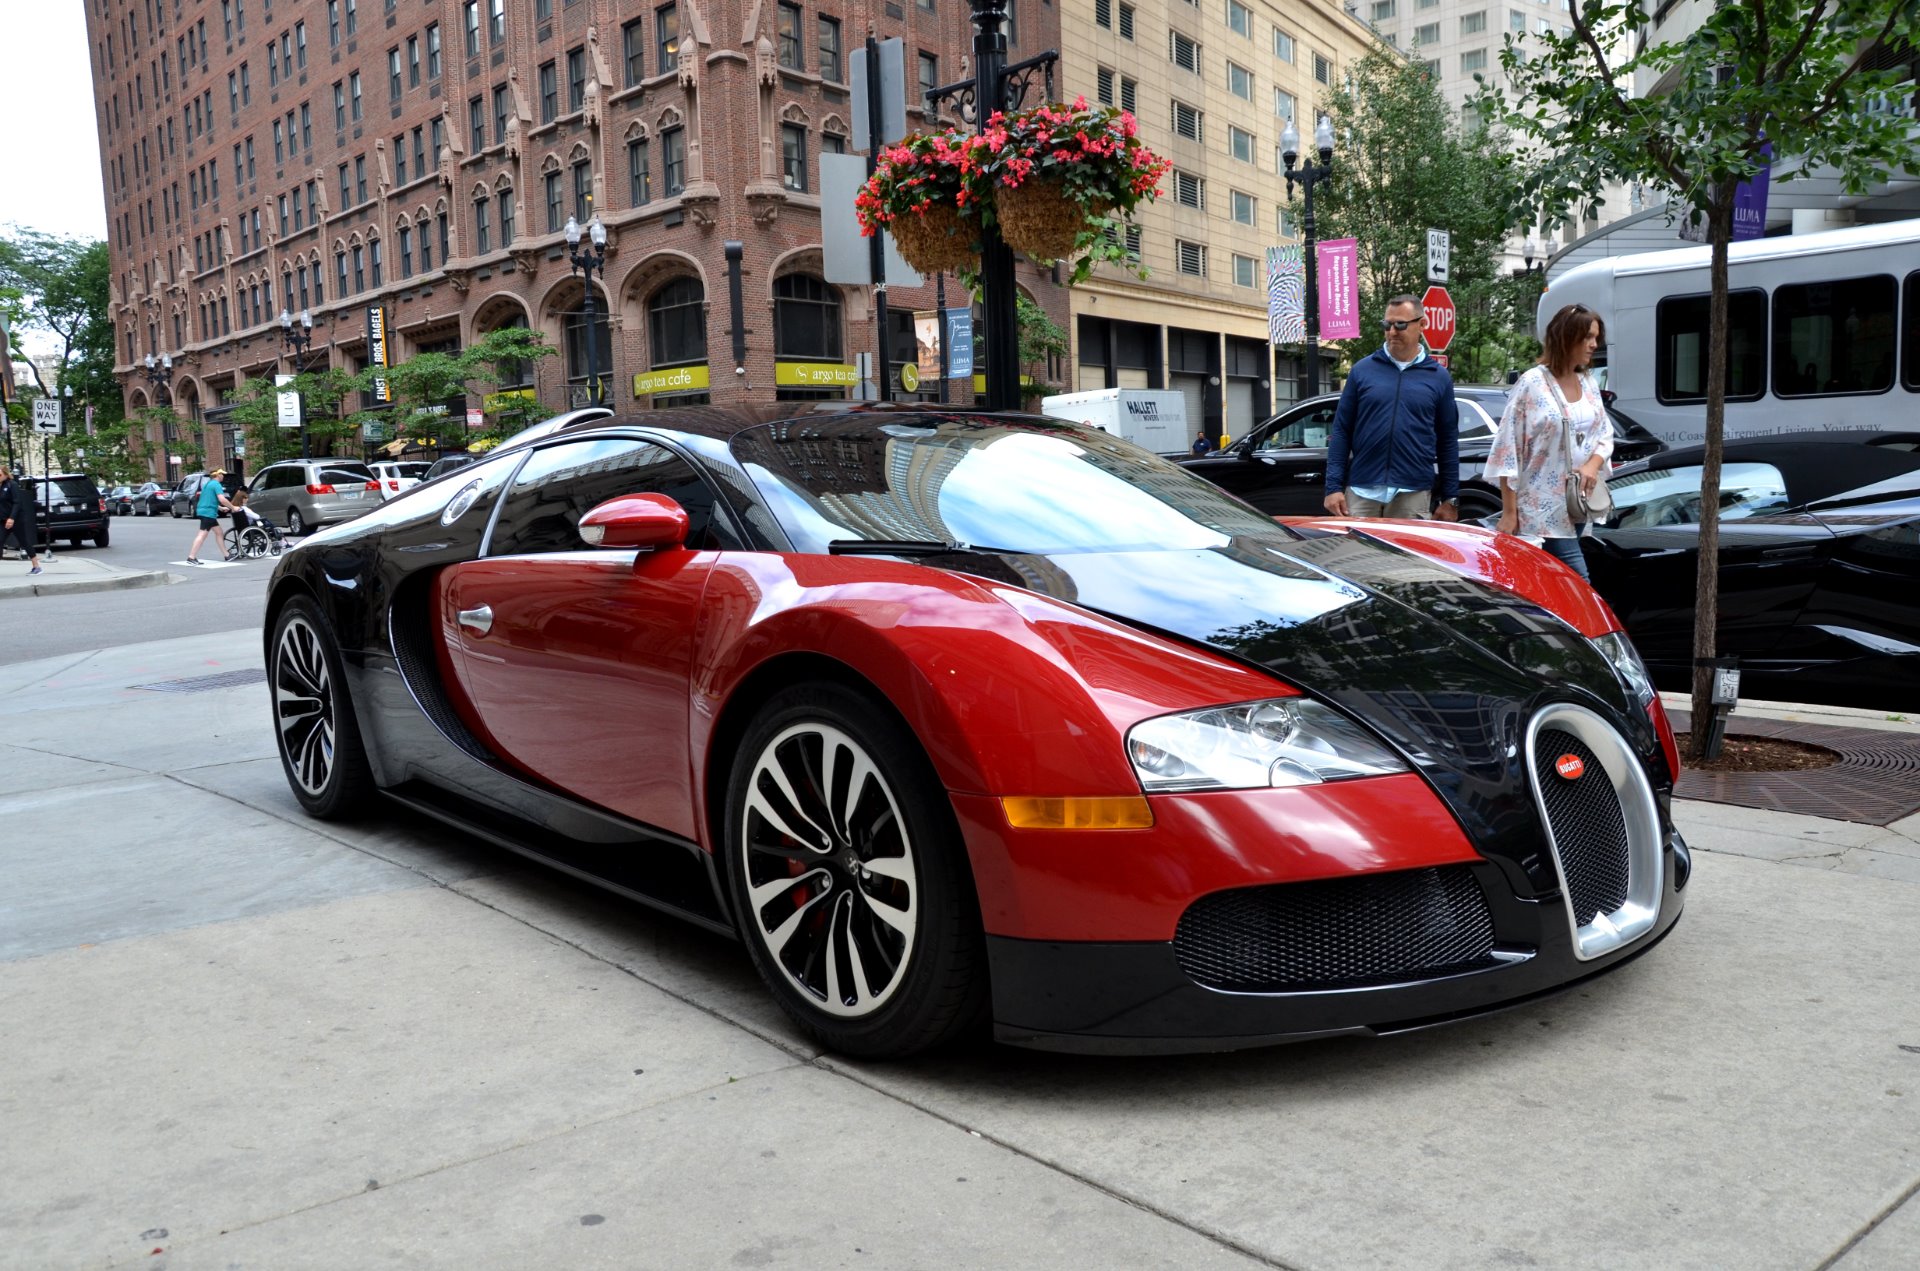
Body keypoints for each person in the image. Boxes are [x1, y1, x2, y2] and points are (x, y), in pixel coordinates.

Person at [1486, 302, 1614, 580]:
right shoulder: (1532, 383)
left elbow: (1604, 433)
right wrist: (1509, 512)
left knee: (1551, 585)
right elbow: (1508, 450)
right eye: (1587, 337)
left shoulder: (1589, 381)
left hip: (1578, 503)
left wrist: (1592, 465)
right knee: (1579, 584)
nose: (1594, 345)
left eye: (1595, 337)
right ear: (1566, 337)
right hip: (1539, 509)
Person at [1323, 294, 1461, 520]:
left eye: (1400, 325)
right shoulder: (1362, 371)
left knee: (1408, 556)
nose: (1392, 332)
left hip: (1412, 492)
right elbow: (1341, 431)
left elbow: (1447, 440)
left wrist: (1451, 498)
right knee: (1356, 555)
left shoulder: (1439, 378)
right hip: (1361, 492)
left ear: (1422, 325)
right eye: (1387, 325)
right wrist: (1333, 487)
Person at [0, 464, 44, 575]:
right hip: (2, 520)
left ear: (5, 474)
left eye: (0, 474)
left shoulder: (12, 485)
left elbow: (17, 502)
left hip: (15, 519)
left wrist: (12, 518)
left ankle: (36, 566)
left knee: (24, 541)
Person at [186, 467, 233, 565]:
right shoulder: (216, 484)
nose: (223, 476)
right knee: (202, 535)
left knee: (219, 532)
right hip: (208, 513)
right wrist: (233, 507)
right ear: (217, 475)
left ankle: (226, 555)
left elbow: (208, 499)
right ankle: (191, 557)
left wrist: (220, 508)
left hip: (204, 511)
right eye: (222, 474)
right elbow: (222, 499)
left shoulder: (208, 484)